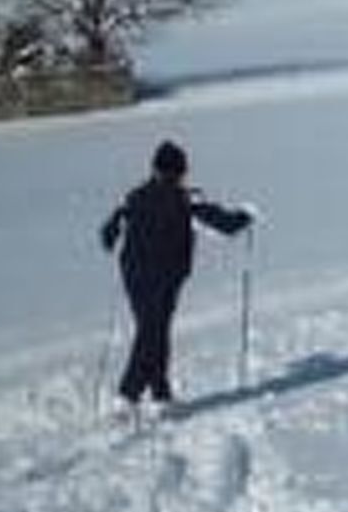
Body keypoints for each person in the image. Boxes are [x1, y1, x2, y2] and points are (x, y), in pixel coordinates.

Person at [100, 140, 255, 412]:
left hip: (133, 274)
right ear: (180, 170)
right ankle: (127, 395)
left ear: (154, 168)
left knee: (154, 330)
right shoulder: (186, 198)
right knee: (152, 332)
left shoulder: (135, 195)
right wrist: (246, 216)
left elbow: (108, 231)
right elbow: (224, 224)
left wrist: (113, 238)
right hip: (165, 275)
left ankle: (160, 394)